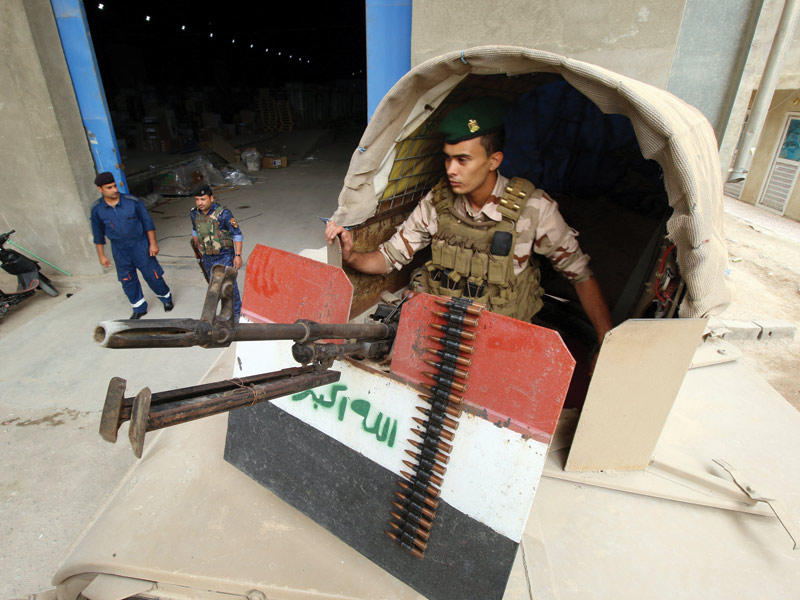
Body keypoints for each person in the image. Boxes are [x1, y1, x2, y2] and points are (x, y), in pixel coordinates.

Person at [325, 97, 613, 344]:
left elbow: (580, 275)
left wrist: (604, 341)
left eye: (463, 160)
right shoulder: (437, 202)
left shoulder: (534, 208)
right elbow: (388, 258)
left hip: (500, 335)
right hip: (441, 327)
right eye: (448, 158)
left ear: (493, 161)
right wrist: (351, 257)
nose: (451, 169)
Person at [90, 171, 173, 319]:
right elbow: (98, 235)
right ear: (100, 189)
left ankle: (166, 298)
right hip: (119, 249)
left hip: (140, 245)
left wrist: (153, 244)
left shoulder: (132, 202)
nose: (114, 190)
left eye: (115, 186)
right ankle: (139, 307)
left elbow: (148, 223)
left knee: (152, 275)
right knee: (127, 280)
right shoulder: (97, 210)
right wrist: (101, 255)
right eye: (109, 187)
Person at [190, 183, 243, 318]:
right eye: (197, 199)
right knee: (214, 287)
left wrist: (237, 255)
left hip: (224, 255)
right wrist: (197, 247)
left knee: (229, 286)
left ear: (211, 198)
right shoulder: (194, 213)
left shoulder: (223, 214)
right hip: (207, 256)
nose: (199, 203)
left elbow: (237, 234)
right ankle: (223, 311)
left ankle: (236, 313)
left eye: (203, 199)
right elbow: (195, 231)